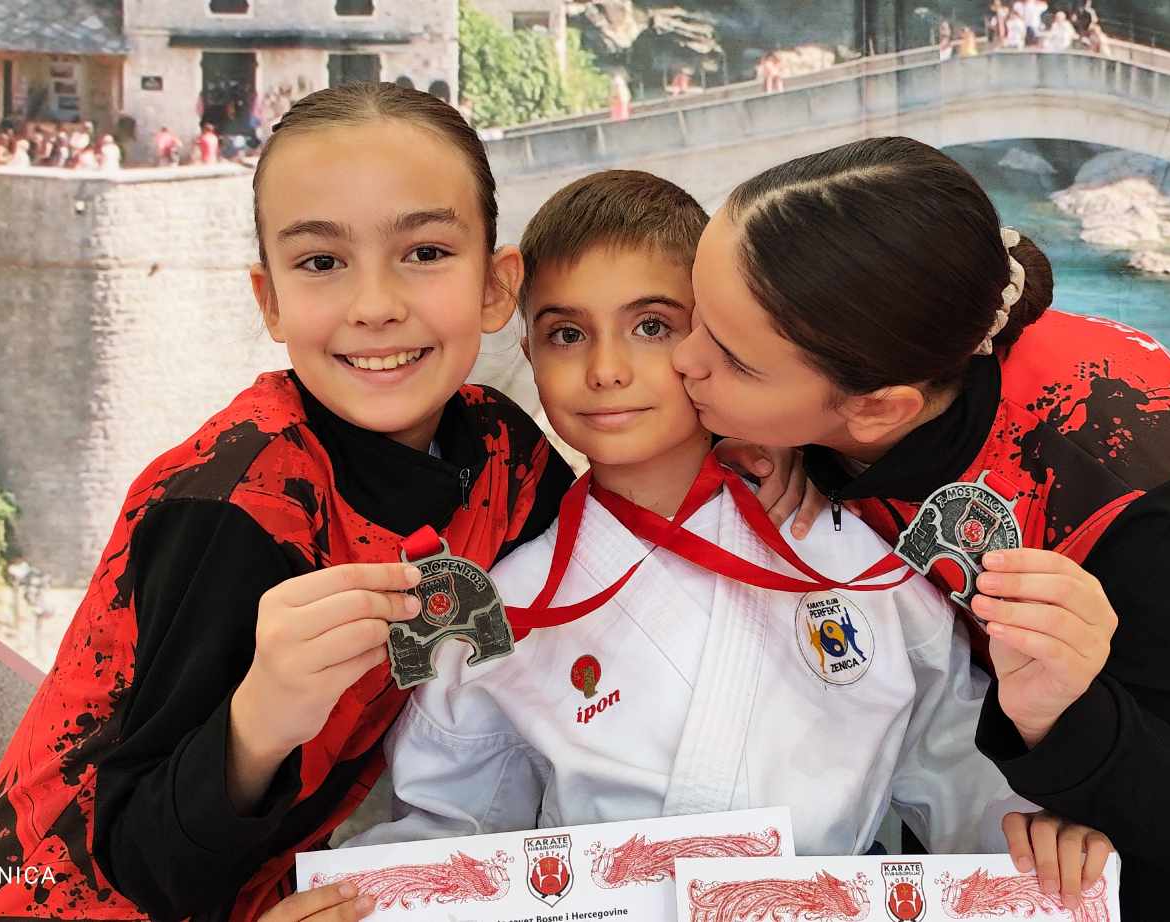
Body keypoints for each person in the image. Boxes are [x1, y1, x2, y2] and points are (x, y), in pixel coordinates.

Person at [352, 169, 1116, 900]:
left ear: (715, 342)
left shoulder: (861, 565)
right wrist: (364, 898)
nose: (606, 369)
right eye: (566, 333)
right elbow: (450, 834)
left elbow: (961, 774)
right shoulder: (507, 608)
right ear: (529, 354)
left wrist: (1036, 834)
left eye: (652, 326)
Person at [0, 82, 587, 922]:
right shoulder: (235, 504)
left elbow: (607, 574)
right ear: (270, 300)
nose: (375, 306)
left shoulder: (503, 457)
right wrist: (263, 717)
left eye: (424, 252)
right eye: (321, 263)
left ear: (497, 287)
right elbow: (132, 848)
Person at [672, 137, 1170, 919]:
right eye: (693, 313)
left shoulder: (1122, 460)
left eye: (734, 359)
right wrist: (789, 437)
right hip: (991, 756)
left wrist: (1063, 717)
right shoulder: (883, 356)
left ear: (879, 408)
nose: (682, 359)